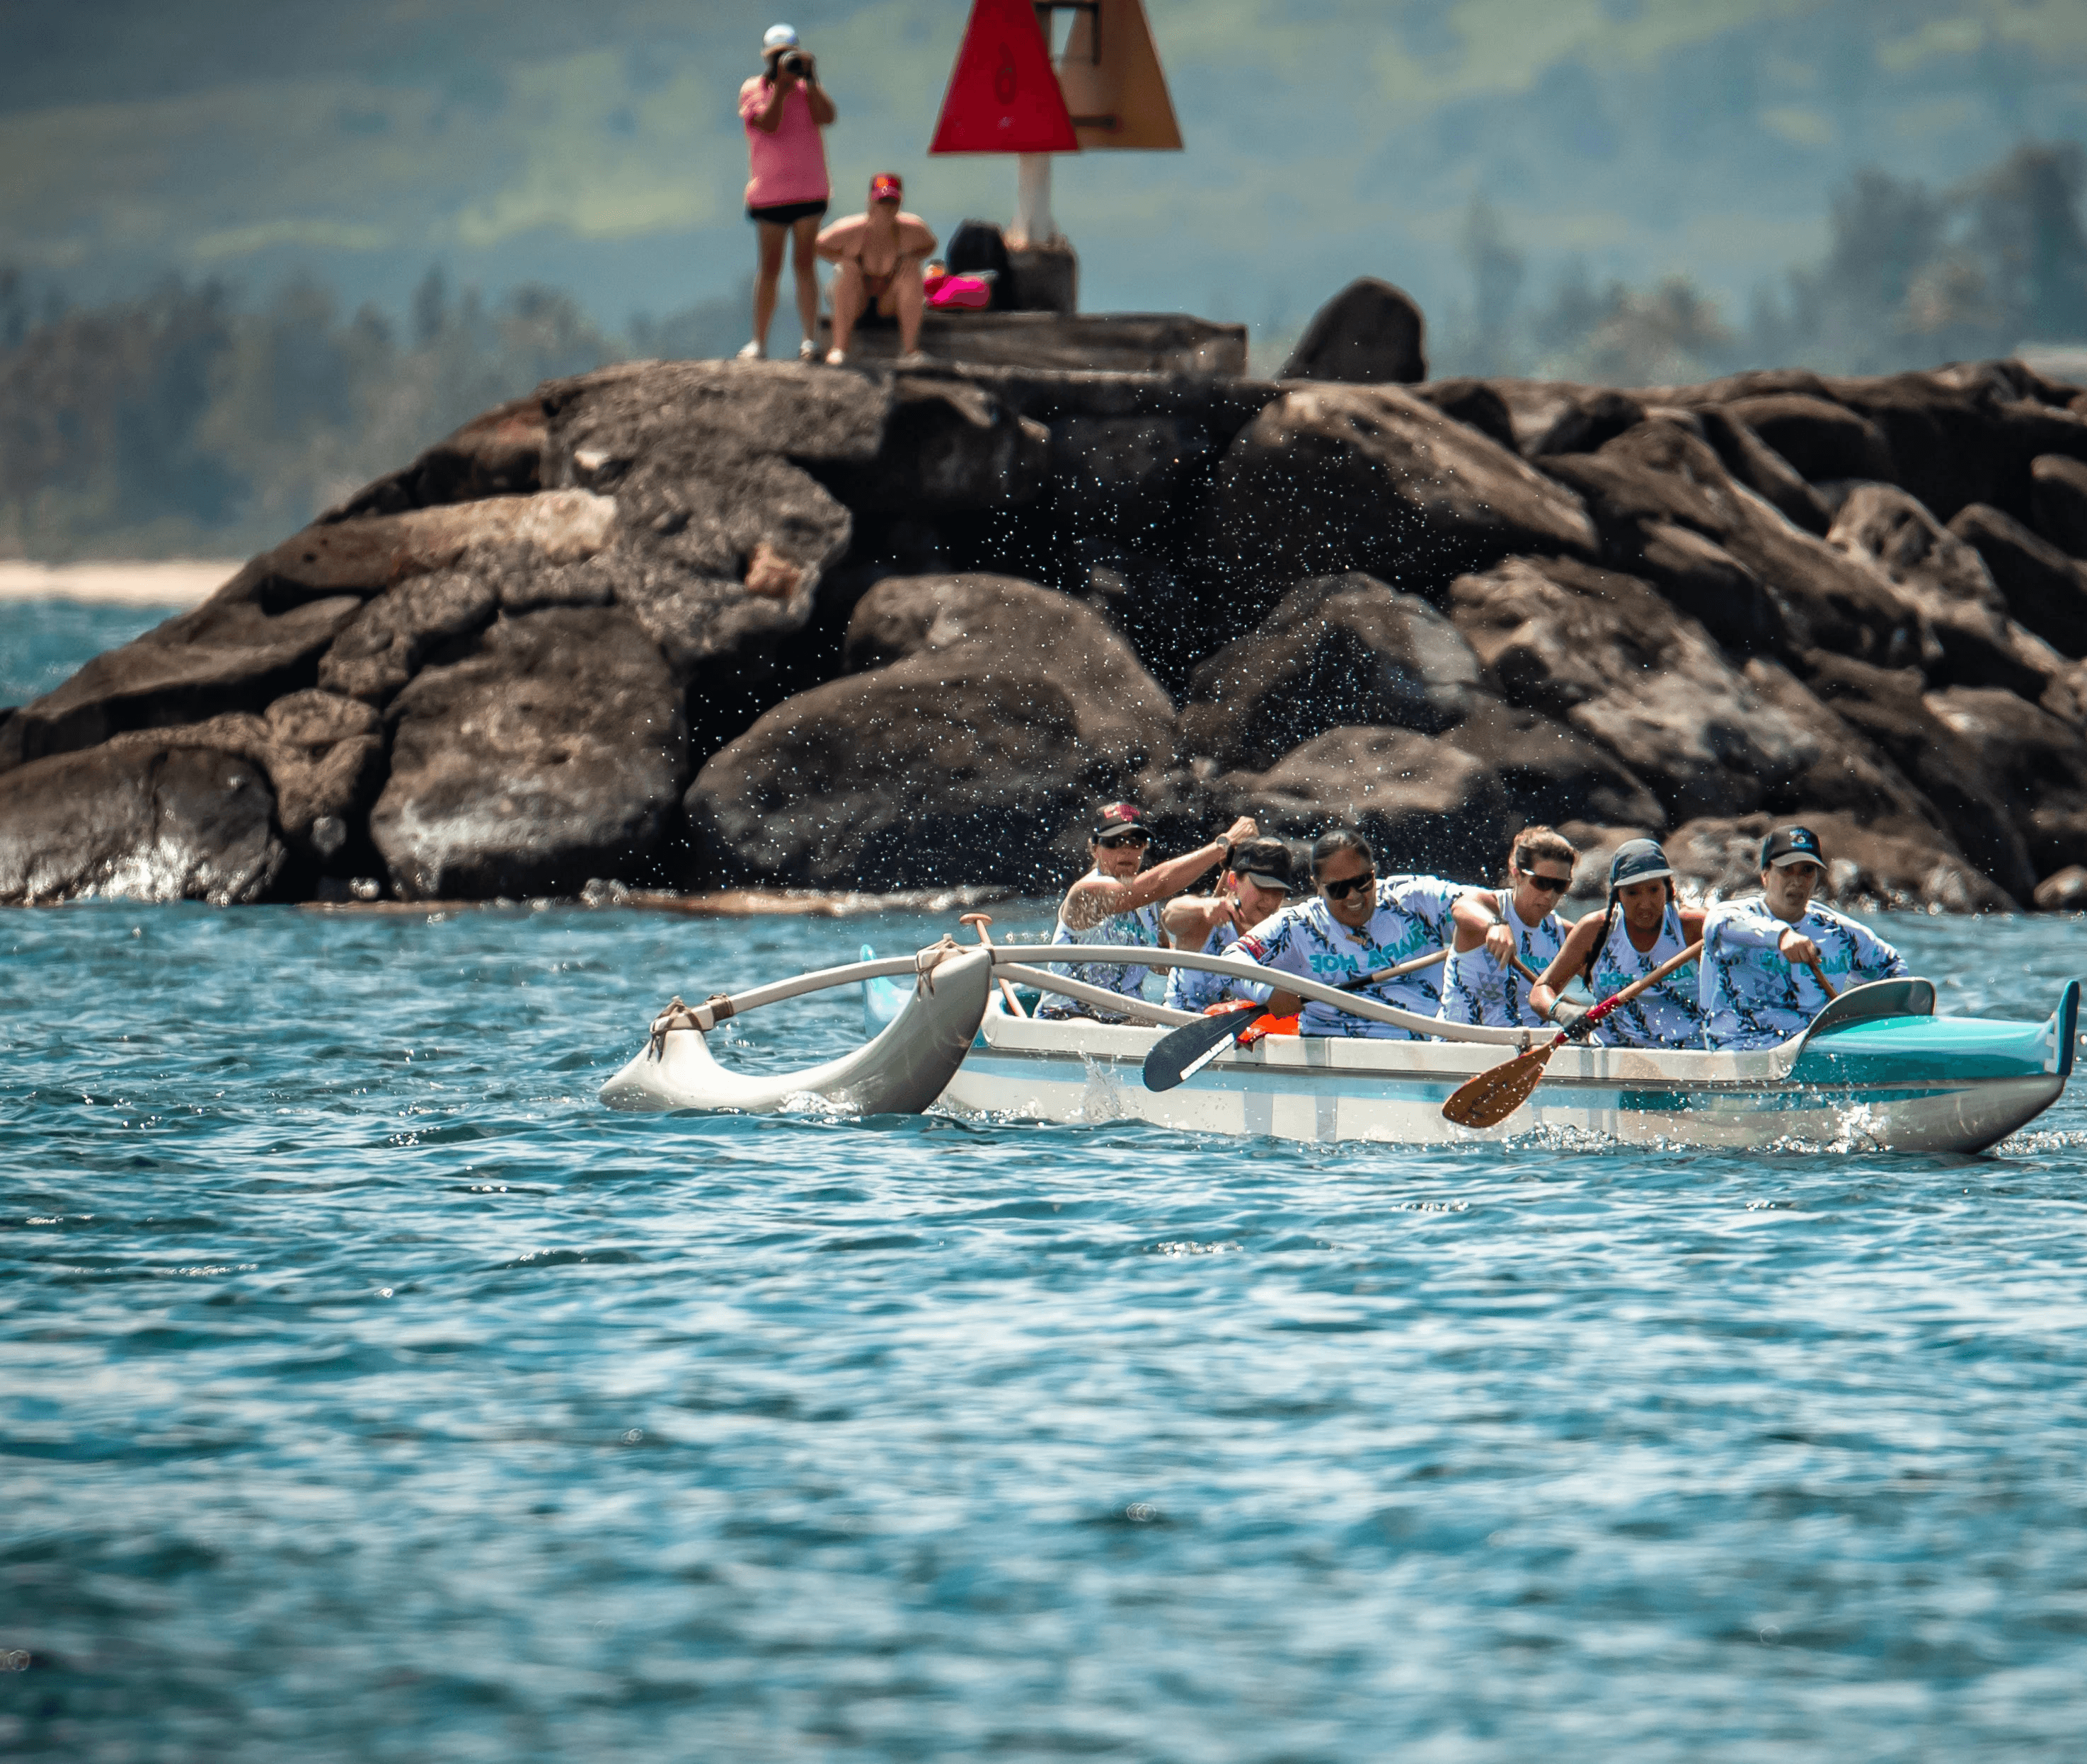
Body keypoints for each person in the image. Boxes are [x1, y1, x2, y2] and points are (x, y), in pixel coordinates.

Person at [1232, 829, 1467, 1039]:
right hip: (1338, 1053)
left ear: (1374, 873)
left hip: (1431, 1048)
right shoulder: (1298, 925)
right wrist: (1267, 991)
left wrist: (1494, 923)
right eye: (1338, 889)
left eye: (1362, 882)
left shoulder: (1414, 899)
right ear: (1318, 885)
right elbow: (1231, 959)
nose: (1353, 896)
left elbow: (1482, 903)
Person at [1042, 803, 1260, 1022]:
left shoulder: (1147, 906)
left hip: (1125, 1021)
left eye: (1136, 842)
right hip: (1068, 1018)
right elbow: (1153, 886)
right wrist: (1222, 845)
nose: (1126, 850)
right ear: (1095, 849)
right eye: (1114, 842)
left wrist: (1229, 870)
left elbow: (1164, 963)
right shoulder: (1085, 893)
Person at [1700, 825, 1909, 1050]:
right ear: (1765, 876)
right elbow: (1715, 923)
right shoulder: (1732, 917)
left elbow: (1893, 968)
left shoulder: (1839, 933)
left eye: (1807, 870)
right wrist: (1781, 936)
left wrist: (1866, 1022)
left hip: (1812, 1051)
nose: (1797, 881)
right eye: (1787, 869)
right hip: (1738, 1050)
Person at [1529, 838, 1706, 1048]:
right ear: (1617, 895)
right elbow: (1541, 989)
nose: (1645, 904)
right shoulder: (1595, 931)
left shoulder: (1695, 928)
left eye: (1653, 890)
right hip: (1612, 1054)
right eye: (1632, 893)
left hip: (1690, 1056)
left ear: (1668, 889)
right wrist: (1561, 1011)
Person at [737, 23, 836, 363]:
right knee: (770, 268)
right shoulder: (754, 89)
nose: (783, 62)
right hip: (770, 194)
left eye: (788, 56)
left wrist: (812, 79)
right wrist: (780, 88)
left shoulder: (808, 90)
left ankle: (810, 339)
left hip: (809, 191)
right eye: (777, 57)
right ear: (767, 58)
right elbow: (768, 123)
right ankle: (759, 342)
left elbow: (828, 117)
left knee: (805, 265)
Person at [1438, 825, 1578, 1030]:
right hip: (1463, 1045)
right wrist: (1495, 924)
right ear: (1518, 875)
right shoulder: (1489, 906)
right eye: (1542, 883)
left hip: (1530, 1050)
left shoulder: (1564, 934)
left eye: (1560, 886)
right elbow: (1461, 906)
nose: (1550, 895)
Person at [1159, 838, 1296, 1013]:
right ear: (1233, 881)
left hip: (1249, 1036)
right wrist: (1203, 906)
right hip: (1181, 1029)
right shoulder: (1205, 921)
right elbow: (1170, 915)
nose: (1269, 901)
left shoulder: (1286, 932)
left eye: (1278, 891)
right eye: (1262, 887)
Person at [817, 173, 938, 364]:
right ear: (870, 203)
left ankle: (910, 351)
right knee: (845, 273)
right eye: (882, 202)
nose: (886, 209)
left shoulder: (913, 230)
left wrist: (913, 258)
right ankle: (839, 348)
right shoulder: (850, 230)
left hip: (889, 303)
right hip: (857, 302)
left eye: (892, 203)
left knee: (913, 272)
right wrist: (842, 259)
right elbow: (818, 245)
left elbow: (930, 244)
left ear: (899, 204)